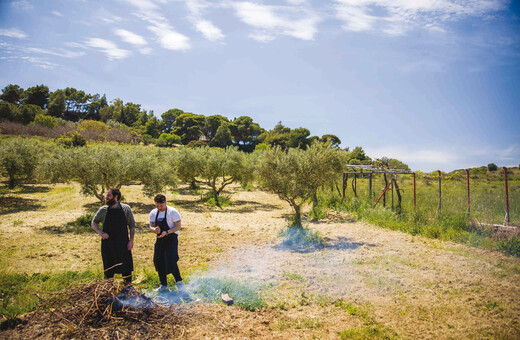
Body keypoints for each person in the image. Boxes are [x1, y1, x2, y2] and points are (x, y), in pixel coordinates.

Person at [91, 188, 135, 283]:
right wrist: (101, 233)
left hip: (123, 244)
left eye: (109, 195)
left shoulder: (126, 208)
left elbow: (132, 226)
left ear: (116, 197)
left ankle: (128, 290)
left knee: (126, 268)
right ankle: (108, 291)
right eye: (107, 195)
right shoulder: (103, 210)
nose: (106, 197)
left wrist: (131, 241)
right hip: (108, 245)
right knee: (108, 269)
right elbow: (93, 223)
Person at [149, 194, 185, 293]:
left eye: (161, 206)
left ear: (165, 202)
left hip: (171, 237)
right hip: (160, 239)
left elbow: (178, 226)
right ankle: (163, 285)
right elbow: (151, 226)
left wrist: (167, 232)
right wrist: (155, 230)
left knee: (171, 259)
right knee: (158, 260)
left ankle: (180, 284)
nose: (160, 208)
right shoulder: (153, 213)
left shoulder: (172, 212)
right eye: (157, 206)